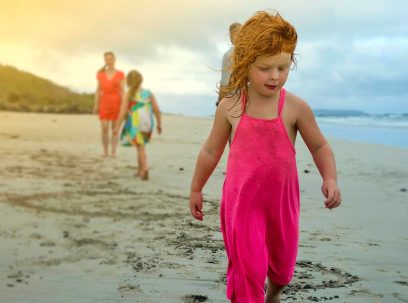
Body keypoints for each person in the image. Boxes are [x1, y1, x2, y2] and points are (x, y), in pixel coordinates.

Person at [189, 11, 342, 303]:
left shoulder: (295, 107)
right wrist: (196, 187)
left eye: (282, 68)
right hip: (242, 203)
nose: (275, 76)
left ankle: (274, 294)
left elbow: (319, 146)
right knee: (248, 273)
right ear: (245, 64)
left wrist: (330, 177)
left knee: (282, 271)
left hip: (282, 204)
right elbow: (211, 150)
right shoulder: (230, 107)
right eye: (265, 68)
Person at [114, 70, 162, 181]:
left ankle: (145, 169)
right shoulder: (149, 93)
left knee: (140, 148)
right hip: (147, 124)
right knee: (140, 145)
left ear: (128, 82)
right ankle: (139, 170)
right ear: (141, 80)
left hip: (135, 125)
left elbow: (123, 112)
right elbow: (157, 110)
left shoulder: (129, 94)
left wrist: (117, 126)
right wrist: (159, 124)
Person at [93, 51, 125, 158]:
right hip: (104, 102)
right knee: (104, 128)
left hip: (116, 102)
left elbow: (123, 91)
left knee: (115, 129)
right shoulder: (100, 74)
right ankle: (105, 151)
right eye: (107, 59)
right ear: (105, 61)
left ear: (114, 60)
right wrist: (96, 104)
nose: (109, 61)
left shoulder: (120, 74)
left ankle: (113, 151)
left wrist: (124, 105)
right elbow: (98, 90)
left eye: (111, 59)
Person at [216, 22, 242, 106]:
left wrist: (219, 104)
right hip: (251, 102)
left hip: (233, 103)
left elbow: (224, 86)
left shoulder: (229, 55)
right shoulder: (253, 53)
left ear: (231, 36)